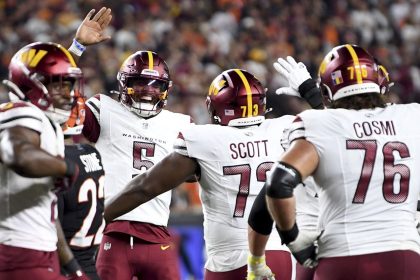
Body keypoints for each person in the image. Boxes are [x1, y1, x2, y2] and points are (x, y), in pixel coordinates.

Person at [103, 68, 306, 280]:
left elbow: (145, 187)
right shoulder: (284, 129)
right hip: (278, 252)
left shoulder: (205, 139)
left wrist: (99, 217)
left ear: (215, 105)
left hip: (229, 260)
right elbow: (337, 127)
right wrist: (310, 92)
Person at [265, 44, 420, 279]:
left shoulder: (317, 124)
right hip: (403, 258)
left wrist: (294, 240)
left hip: (342, 258)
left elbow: (279, 184)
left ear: (328, 91)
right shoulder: (412, 118)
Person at [76, 48, 191, 279]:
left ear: (166, 89)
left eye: (155, 85)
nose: (148, 91)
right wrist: (77, 48)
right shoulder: (104, 109)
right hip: (112, 230)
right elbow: (63, 105)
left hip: (157, 232)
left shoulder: (180, 124)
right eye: (139, 82)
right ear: (124, 83)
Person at [0, 41, 84, 280]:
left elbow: (44, 207)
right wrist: (66, 167)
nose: (68, 95)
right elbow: (16, 153)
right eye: (60, 86)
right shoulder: (21, 111)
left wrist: (71, 266)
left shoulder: (46, 124)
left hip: (39, 250)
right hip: (19, 250)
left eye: (69, 86)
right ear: (31, 83)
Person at [57, 143, 105, 280]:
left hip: (66, 267)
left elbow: (52, 226)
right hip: (90, 266)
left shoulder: (58, 159)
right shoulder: (91, 152)